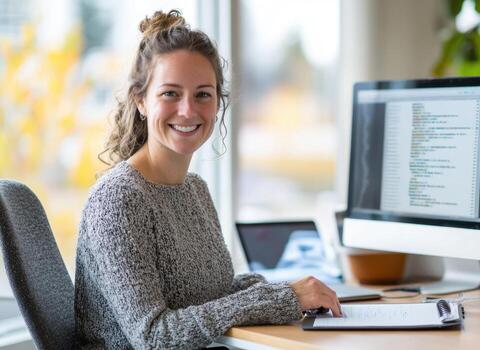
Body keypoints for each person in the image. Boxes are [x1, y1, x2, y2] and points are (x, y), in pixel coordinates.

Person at [74, 10, 341, 350]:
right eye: (170, 93)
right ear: (141, 101)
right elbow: (155, 336)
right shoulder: (118, 200)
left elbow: (214, 293)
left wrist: (289, 291)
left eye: (203, 94)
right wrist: (282, 298)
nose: (188, 110)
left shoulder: (194, 189)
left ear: (217, 103)